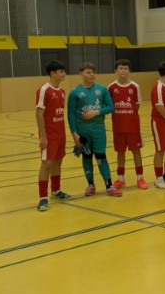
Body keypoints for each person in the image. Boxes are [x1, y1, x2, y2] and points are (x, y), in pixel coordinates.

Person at [67, 62, 122, 197]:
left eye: (93, 72)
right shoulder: (74, 93)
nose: (92, 74)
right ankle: (90, 184)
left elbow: (110, 107)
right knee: (86, 157)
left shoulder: (102, 89)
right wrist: (75, 135)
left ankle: (109, 185)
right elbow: (70, 115)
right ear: (81, 74)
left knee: (101, 156)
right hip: (83, 132)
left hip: (98, 131)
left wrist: (95, 112)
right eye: (88, 72)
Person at [36, 59, 72, 211]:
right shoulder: (44, 90)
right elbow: (39, 113)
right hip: (49, 134)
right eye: (61, 71)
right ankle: (43, 197)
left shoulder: (62, 92)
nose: (64, 74)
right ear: (52, 73)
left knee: (58, 161)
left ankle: (56, 191)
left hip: (60, 133)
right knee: (47, 163)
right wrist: (43, 136)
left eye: (64, 71)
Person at [108, 58, 148, 190]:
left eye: (125, 68)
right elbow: (109, 105)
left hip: (132, 126)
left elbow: (137, 105)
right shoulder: (111, 87)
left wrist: (128, 115)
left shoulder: (134, 86)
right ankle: (120, 179)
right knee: (120, 152)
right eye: (121, 68)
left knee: (136, 151)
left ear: (129, 71)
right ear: (116, 70)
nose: (123, 71)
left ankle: (140, 178)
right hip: (118, 126)